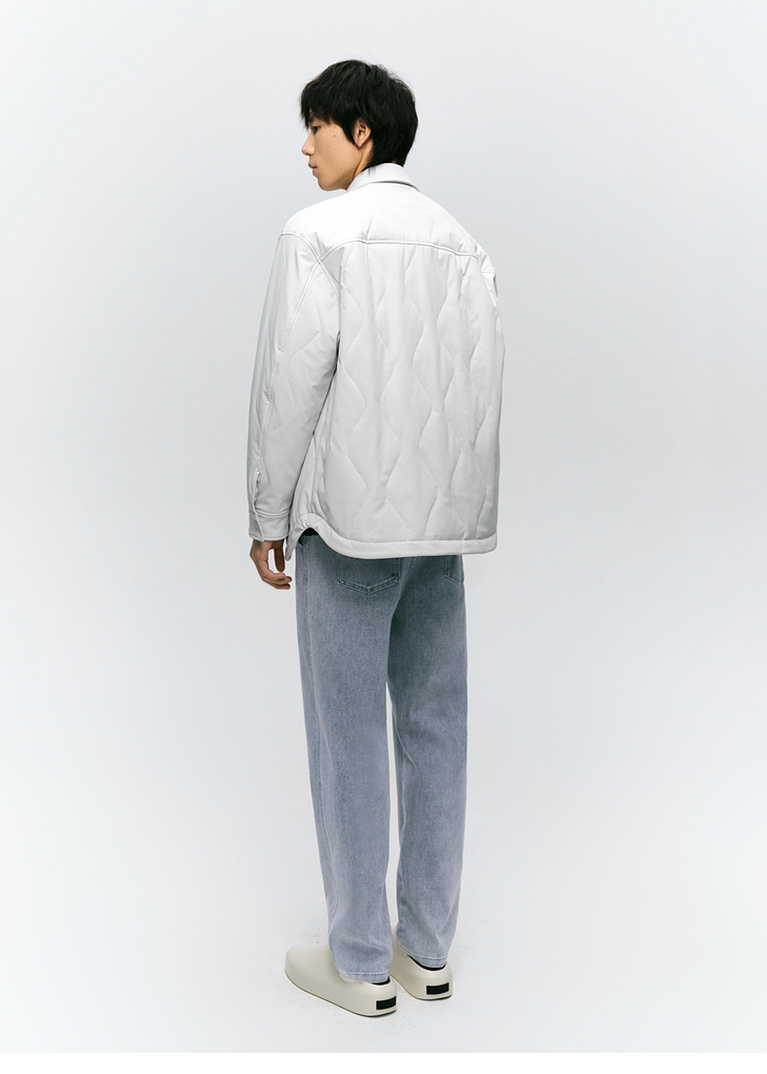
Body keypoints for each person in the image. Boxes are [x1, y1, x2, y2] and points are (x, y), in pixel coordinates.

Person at [246, 59, 505, 1017]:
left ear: (363, 134)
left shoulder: (318, 233)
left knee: (346, 730)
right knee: (437, 724)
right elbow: (481, 393)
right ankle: (425, 951)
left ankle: (358, 959)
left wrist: (267, 514)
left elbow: (291, 385)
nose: (304, 146)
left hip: (349, 528)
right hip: (440, 530)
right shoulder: (466, 246)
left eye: (317, 126)